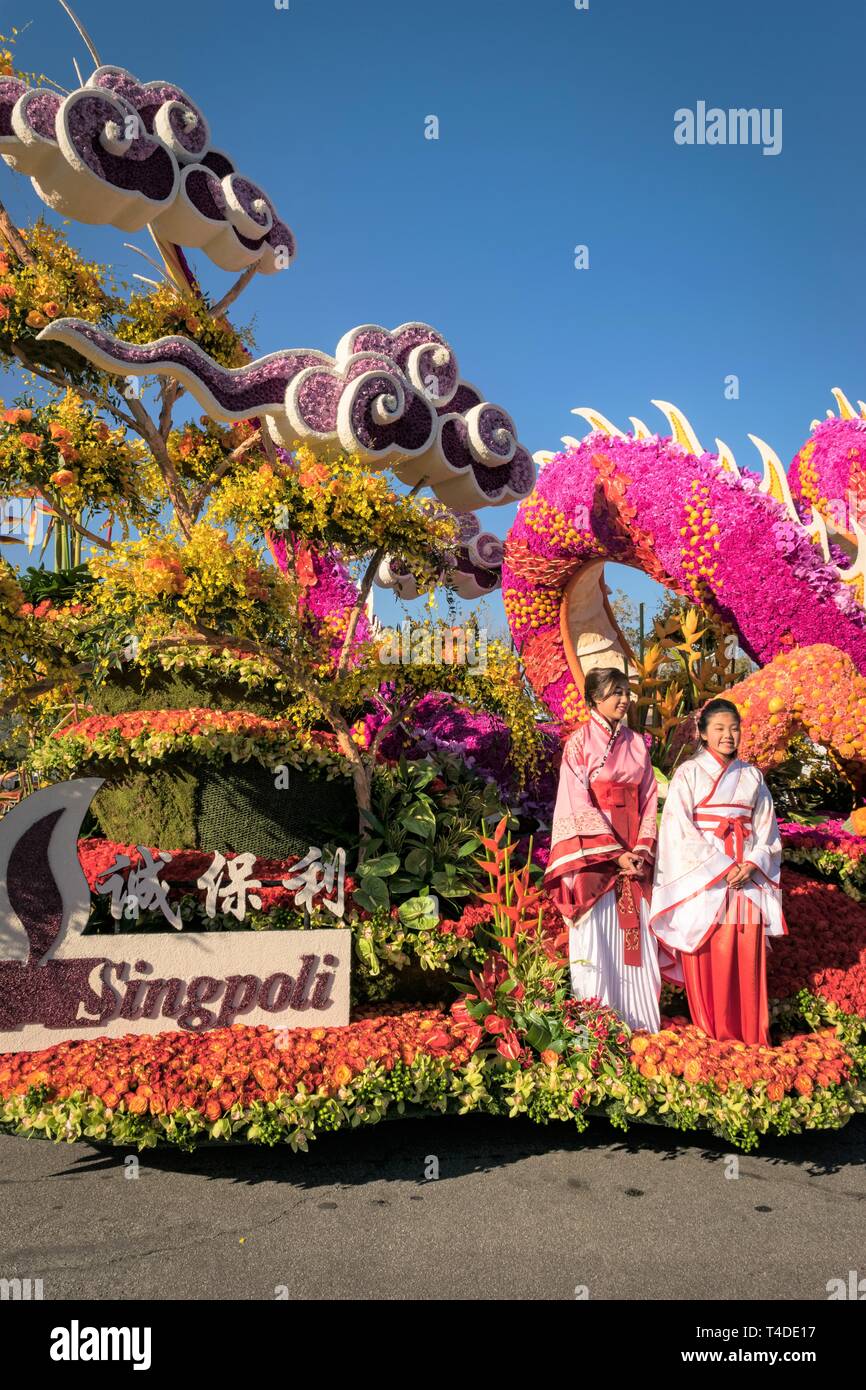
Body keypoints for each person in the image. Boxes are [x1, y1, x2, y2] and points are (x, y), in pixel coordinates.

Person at [649, 697, 787, 1045]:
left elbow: (767, 830)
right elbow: (678, 829)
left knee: (746, 953)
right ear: (703, 733)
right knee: (708, 951)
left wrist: (753, 863)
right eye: (719, 729)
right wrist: (722, 867)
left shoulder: (752, 775)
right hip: (705, 878)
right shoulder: (689, 773)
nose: (728, 735)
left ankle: (753, 1035)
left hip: (746, 876)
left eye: (734, 729)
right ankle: (712, 1036)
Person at [543, 665, 668, 1033]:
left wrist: (641, 849)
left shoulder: (638, 743)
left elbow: (649, 798)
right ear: (595, 698)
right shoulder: (578, 743)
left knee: (637, 935)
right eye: (616, 692)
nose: (624, 699)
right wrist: (615, 853)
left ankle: (640, 1022)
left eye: (626, 692)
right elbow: (576, 801)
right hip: (596, 857)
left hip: (635, 850)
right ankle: (597, 1028)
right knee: (597, 935)